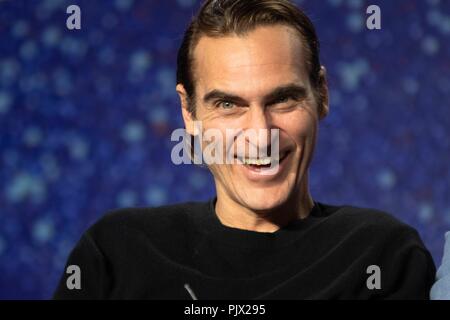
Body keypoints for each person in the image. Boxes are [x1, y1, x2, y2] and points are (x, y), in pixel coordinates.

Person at [54, 0, 436, 299]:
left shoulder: (382, 254)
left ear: (321, 94)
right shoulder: (117, 251)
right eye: (227, 105)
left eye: (283, 99)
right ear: (188, 112)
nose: (260, 134)